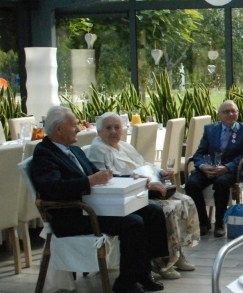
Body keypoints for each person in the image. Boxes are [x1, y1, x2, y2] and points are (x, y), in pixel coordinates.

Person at [30, 106, 170, 293]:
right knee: (133, 223)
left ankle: (142, 272)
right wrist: (89, 182)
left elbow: (100, 175)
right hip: (72, 215)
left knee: (152, 211)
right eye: (74, 125)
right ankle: (126, 283)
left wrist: (130, 177)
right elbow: (54, 188)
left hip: (94, 207)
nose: (78, 128)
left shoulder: (75, 150)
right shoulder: (44, 154)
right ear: (59, 129)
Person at [85, 112, 200, 279]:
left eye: (117, 128)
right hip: (128, 195)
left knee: (185, 201)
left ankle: (177, 253)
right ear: (99, 132)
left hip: (144, 188)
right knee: (166, 209)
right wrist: (147, 184)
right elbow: (111, 178)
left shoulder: (124, 146)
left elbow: (143, 163)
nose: (113, 132)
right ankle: (162, 261)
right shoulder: (98, 150)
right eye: (108, 128)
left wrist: (160, 172)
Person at [185, 100, 243, 238]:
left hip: (230, 170)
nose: (230, 114)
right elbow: (199, 153)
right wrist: (203, 166)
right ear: (219, 115)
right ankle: (203, 221)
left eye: (233, 111)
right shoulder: (210, 129)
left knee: (221, 183)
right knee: (191, 184)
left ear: (238, 114)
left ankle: (220, 223)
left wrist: (226, 167)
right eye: (226, 112)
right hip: (208, 168)